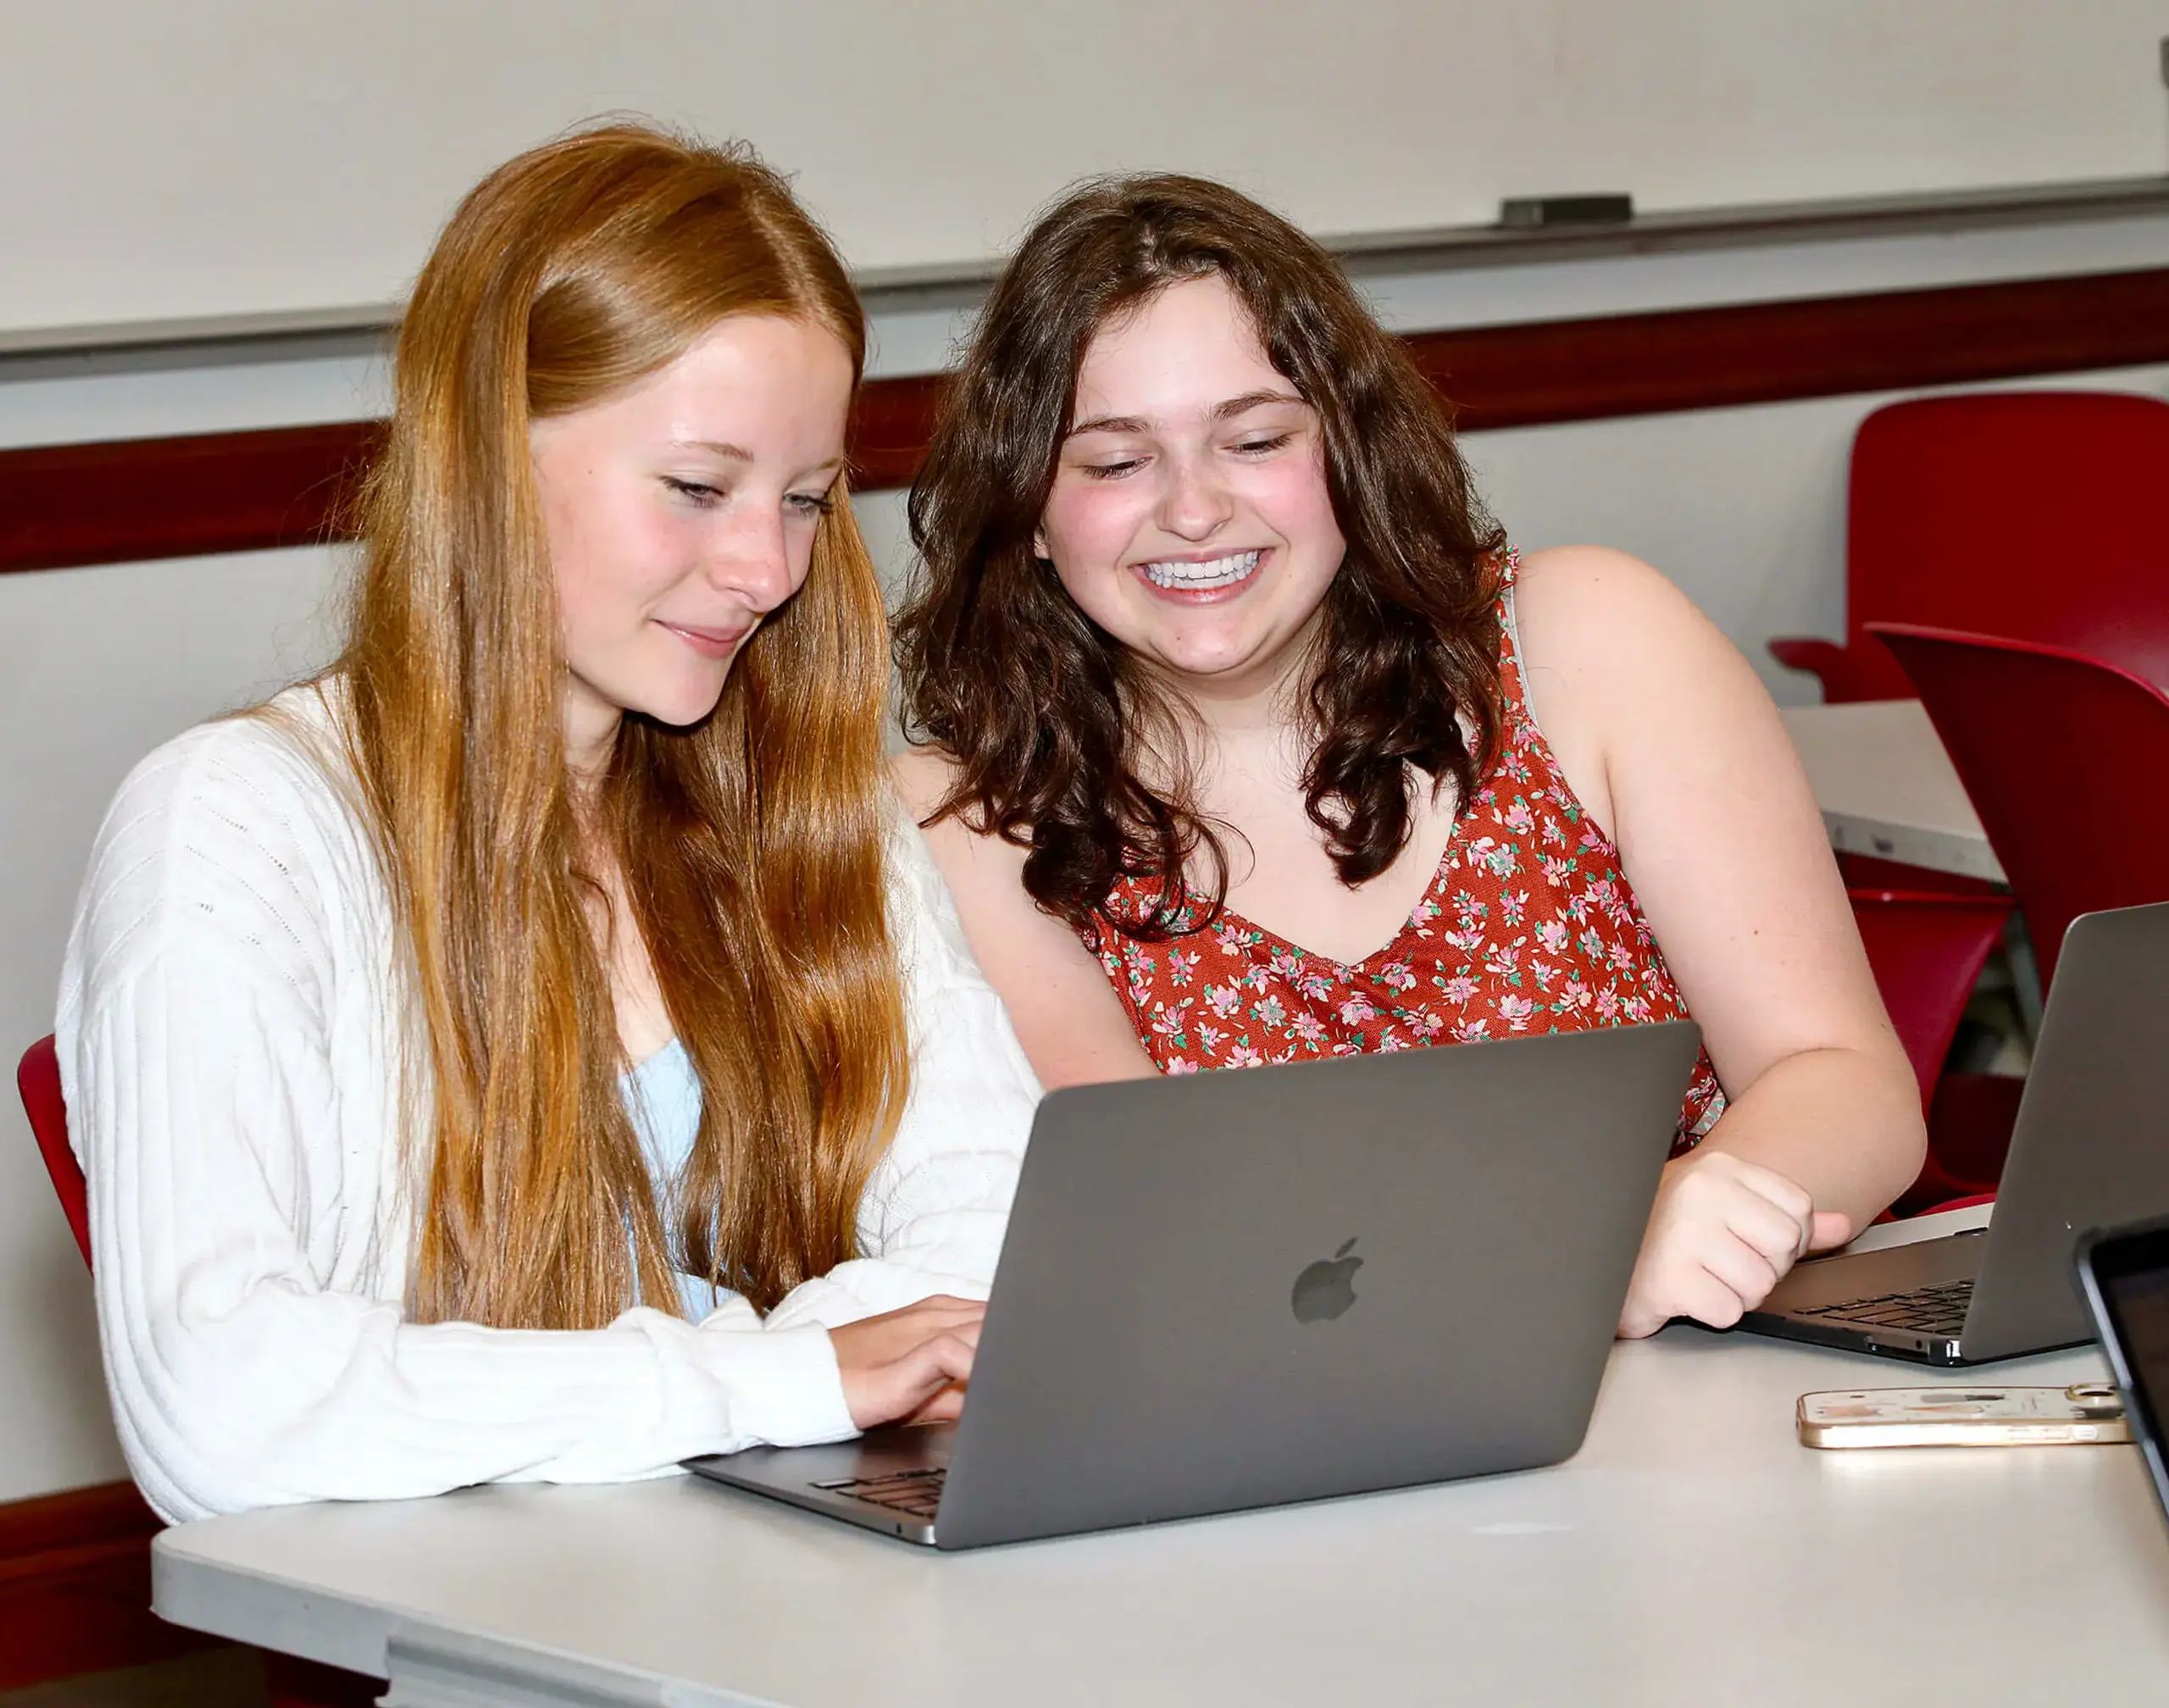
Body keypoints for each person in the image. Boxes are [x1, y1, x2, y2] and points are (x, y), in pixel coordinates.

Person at [56, 125, 1039, 1523]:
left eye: (809, 500)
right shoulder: (233, 826)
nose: (768, 568)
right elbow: (218, 1405)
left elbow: (998, 1250)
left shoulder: (809, 806)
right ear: (485, 463)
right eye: (699, 488)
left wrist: (790, 1376)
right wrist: (787, 1380)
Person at [894, 174, 1923, 1339]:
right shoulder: (970, 819)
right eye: (1116, 462)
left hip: (1709, 1389)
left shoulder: (1590, 640)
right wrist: (1579, 1258)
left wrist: (1695, 1216)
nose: (1192, 509)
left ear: (1348, 451)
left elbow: (1850, 1086)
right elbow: (1170, 1234)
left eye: (1255, 437)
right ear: (1030, 505)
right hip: (1299, 1452)